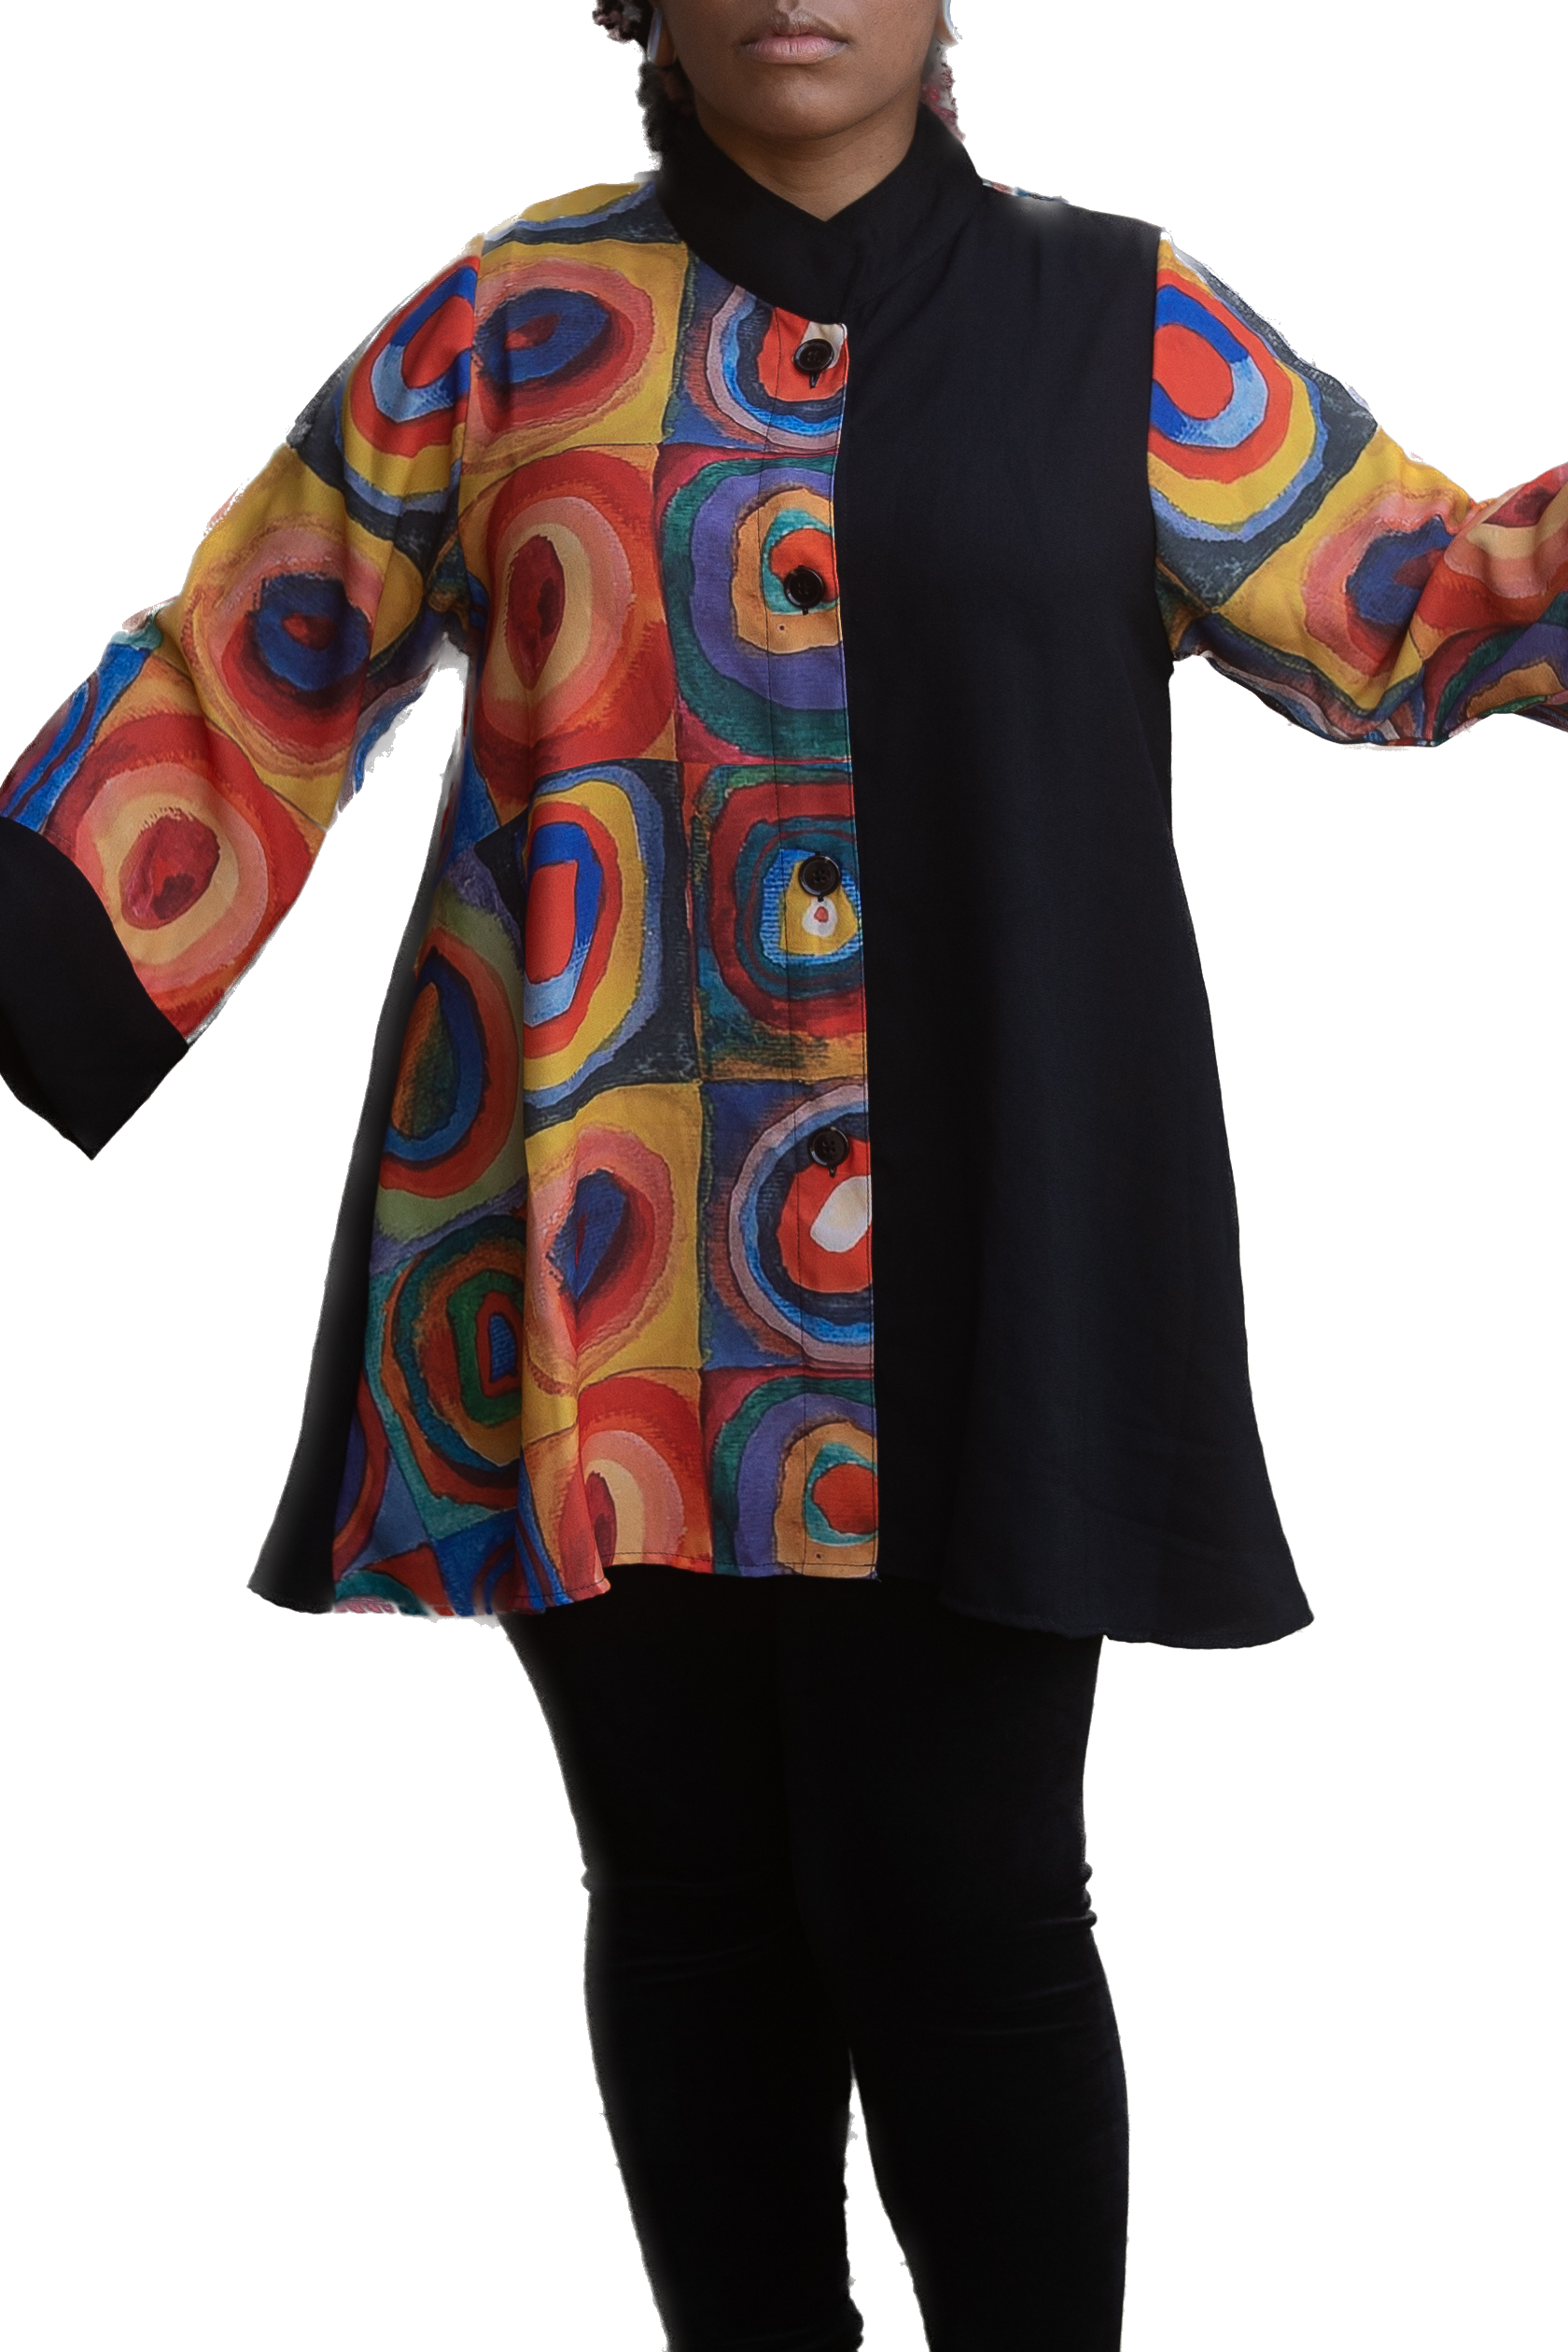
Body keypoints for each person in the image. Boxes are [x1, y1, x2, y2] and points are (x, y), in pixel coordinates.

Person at [0, 3, 1560, 2344]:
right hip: (588, 1232)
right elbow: (252, 672)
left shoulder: (1120, 313)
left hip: (996, 1233)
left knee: (975, 1895)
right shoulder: (509, 314)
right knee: (684, 1899)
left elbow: (1413, 597)